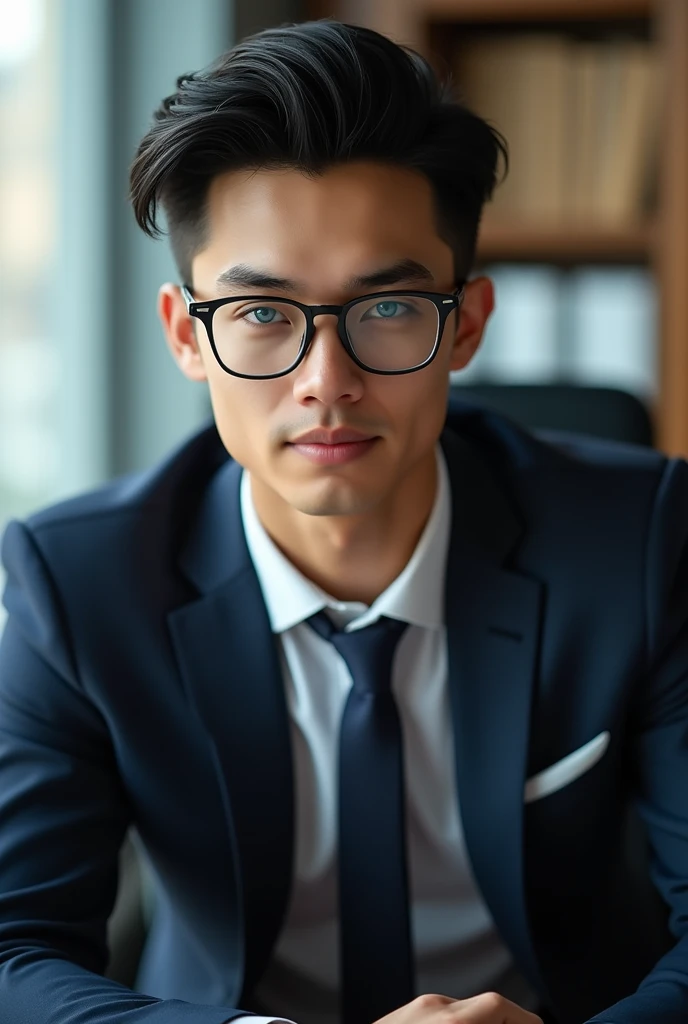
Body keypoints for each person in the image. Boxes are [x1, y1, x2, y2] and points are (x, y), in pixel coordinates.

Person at [0, 17, 686, 1024]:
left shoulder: (638, 540)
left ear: (469, 323)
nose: (327, 384)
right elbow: (15, 947)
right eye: (265, 314)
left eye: (389, 309)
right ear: (186, 335)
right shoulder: (79, 582)